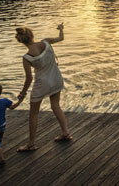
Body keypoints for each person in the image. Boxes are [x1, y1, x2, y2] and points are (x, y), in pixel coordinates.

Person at [15, 23, 71, 152]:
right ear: (32, 35)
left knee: (33, 113)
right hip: (56, 79)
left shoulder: (27, 57)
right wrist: (61, 29)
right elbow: (61, 38)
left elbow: (29, 78)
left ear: (20, 41)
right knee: (55, 105)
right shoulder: (46, 42)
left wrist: (22, 93)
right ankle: (65, 132)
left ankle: (31, 144)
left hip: (42, 84)